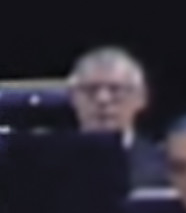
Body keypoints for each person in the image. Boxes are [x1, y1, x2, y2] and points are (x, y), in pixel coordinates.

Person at [67, 46, 167, 189]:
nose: (103, 99)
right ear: (72, 98)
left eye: (115, 90)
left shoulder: (169, 169)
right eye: (90, 90)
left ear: (141, 98)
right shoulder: (47, 166)